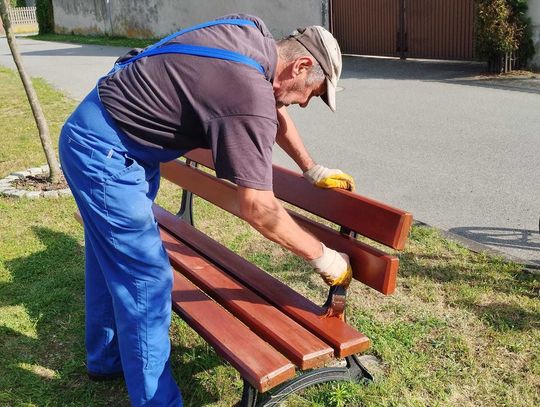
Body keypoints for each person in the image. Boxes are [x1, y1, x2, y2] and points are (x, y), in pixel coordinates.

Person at [59, 13, 354, 407]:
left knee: (107, 255)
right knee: (146, 280)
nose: (303, 102)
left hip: (101, 138)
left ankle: (106, 358)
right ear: (301, 66)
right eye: (312, 93)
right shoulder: (248, 93)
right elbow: (259, 208)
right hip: (109, 156)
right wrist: (324, 258)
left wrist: (309, 167)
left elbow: (271, 102)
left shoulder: (250, 34)